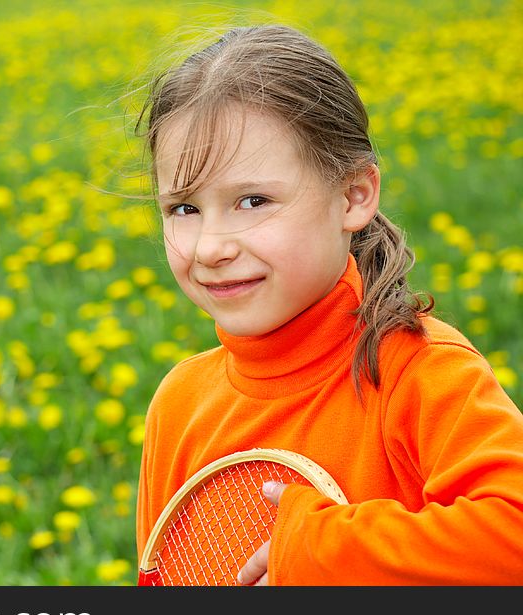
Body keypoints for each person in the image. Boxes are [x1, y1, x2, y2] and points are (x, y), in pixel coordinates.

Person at [133, 24, 523, 585]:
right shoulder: (180, 405)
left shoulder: (421, 373)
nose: (211, 247)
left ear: (353, 195)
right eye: (183, 208)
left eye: (252, 200)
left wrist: (317, 552)